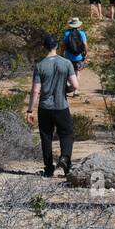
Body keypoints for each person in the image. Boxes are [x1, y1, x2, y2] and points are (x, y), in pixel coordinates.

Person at [27, 36, 78, 177]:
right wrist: (64, 90)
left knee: (46, 137)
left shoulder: (40, 65)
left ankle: (49, 168)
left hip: (44, 107)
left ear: (44, 47)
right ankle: (65, 159)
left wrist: (30, 110)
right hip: (61, 106)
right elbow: (75, 85)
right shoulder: (66, 63)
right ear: (56, 46)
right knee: (66, 134)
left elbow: (36, 90)